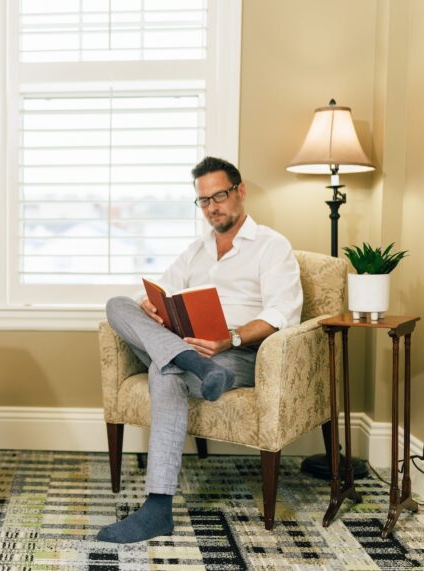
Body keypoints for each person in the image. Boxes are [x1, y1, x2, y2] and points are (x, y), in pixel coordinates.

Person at [98, 156, 303, 544]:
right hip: (186, 346)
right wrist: (150, 307)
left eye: (219, 196)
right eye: (204, 201)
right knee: (118, 305)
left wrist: (231, 339)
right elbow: (157, 291)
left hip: (236, 354)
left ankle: (157, 509)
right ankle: (190, 361)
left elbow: (283, 313)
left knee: (164, 371)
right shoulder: (196, 250)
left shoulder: (271, 246)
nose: (212, 207)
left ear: (240, 192)